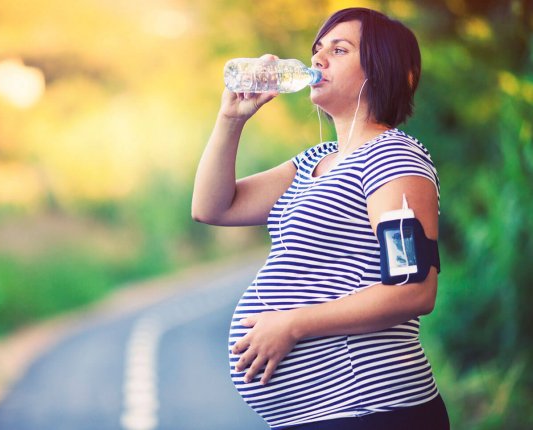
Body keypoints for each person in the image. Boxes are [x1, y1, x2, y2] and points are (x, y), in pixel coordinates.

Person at [191, 7, 450, 430]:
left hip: (371, 410)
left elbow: (412, 291)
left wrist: (292, 324)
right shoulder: (315, 161)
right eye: (316, 51)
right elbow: (211, 207)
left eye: (339, 49)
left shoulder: (392, 159)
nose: (318, 60)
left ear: (383, 70)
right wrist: (230, 120)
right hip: (323, 417)